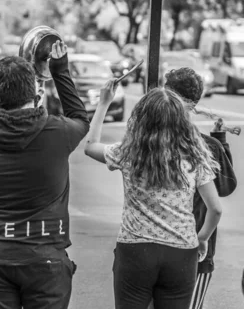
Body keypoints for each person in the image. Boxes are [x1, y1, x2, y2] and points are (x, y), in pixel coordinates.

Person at [0, 41, 88, 309]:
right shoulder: (58, 132)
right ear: (33, 91)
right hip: (45, 257)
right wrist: (60, 72)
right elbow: (80, 118)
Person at [84, 82, 223, 309]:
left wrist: (103, 104)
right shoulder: (195, 156)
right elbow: (215, 208)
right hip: (181, 252)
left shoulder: (129, 153)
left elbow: (90, 147)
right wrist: (202, 238)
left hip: (135, 250)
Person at [163, 68, 237, 309]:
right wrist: (220, 141)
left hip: (154, 245)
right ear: (195, 101)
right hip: (196, 245)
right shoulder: (207, 145)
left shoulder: (148, 140)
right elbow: (224, 187)